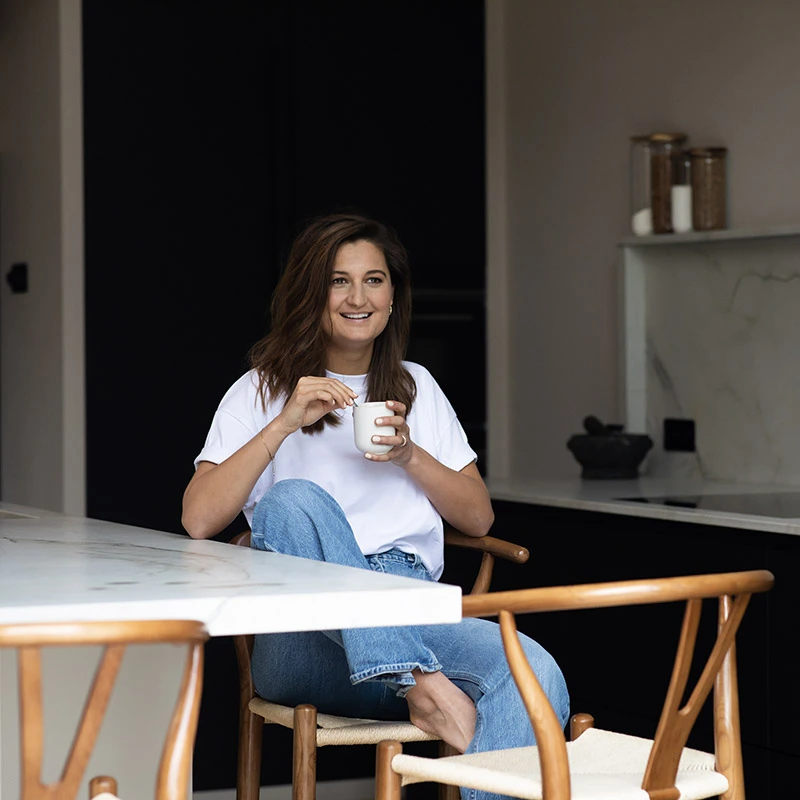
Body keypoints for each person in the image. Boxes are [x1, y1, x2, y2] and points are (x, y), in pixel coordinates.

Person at [182, 211, 569, 798]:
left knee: (532, 670)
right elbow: (198, 519)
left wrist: (410, 454)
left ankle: (418, 681)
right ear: (311, 293)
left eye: (374, 280)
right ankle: (418, 682)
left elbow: (478, 518)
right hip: (303, 635)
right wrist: (283, 424)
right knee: (292, 501)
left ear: (392, 297)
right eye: (338, 281)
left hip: (411, 604)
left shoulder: (417, 387)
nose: (357, 298)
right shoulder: (260, 390)